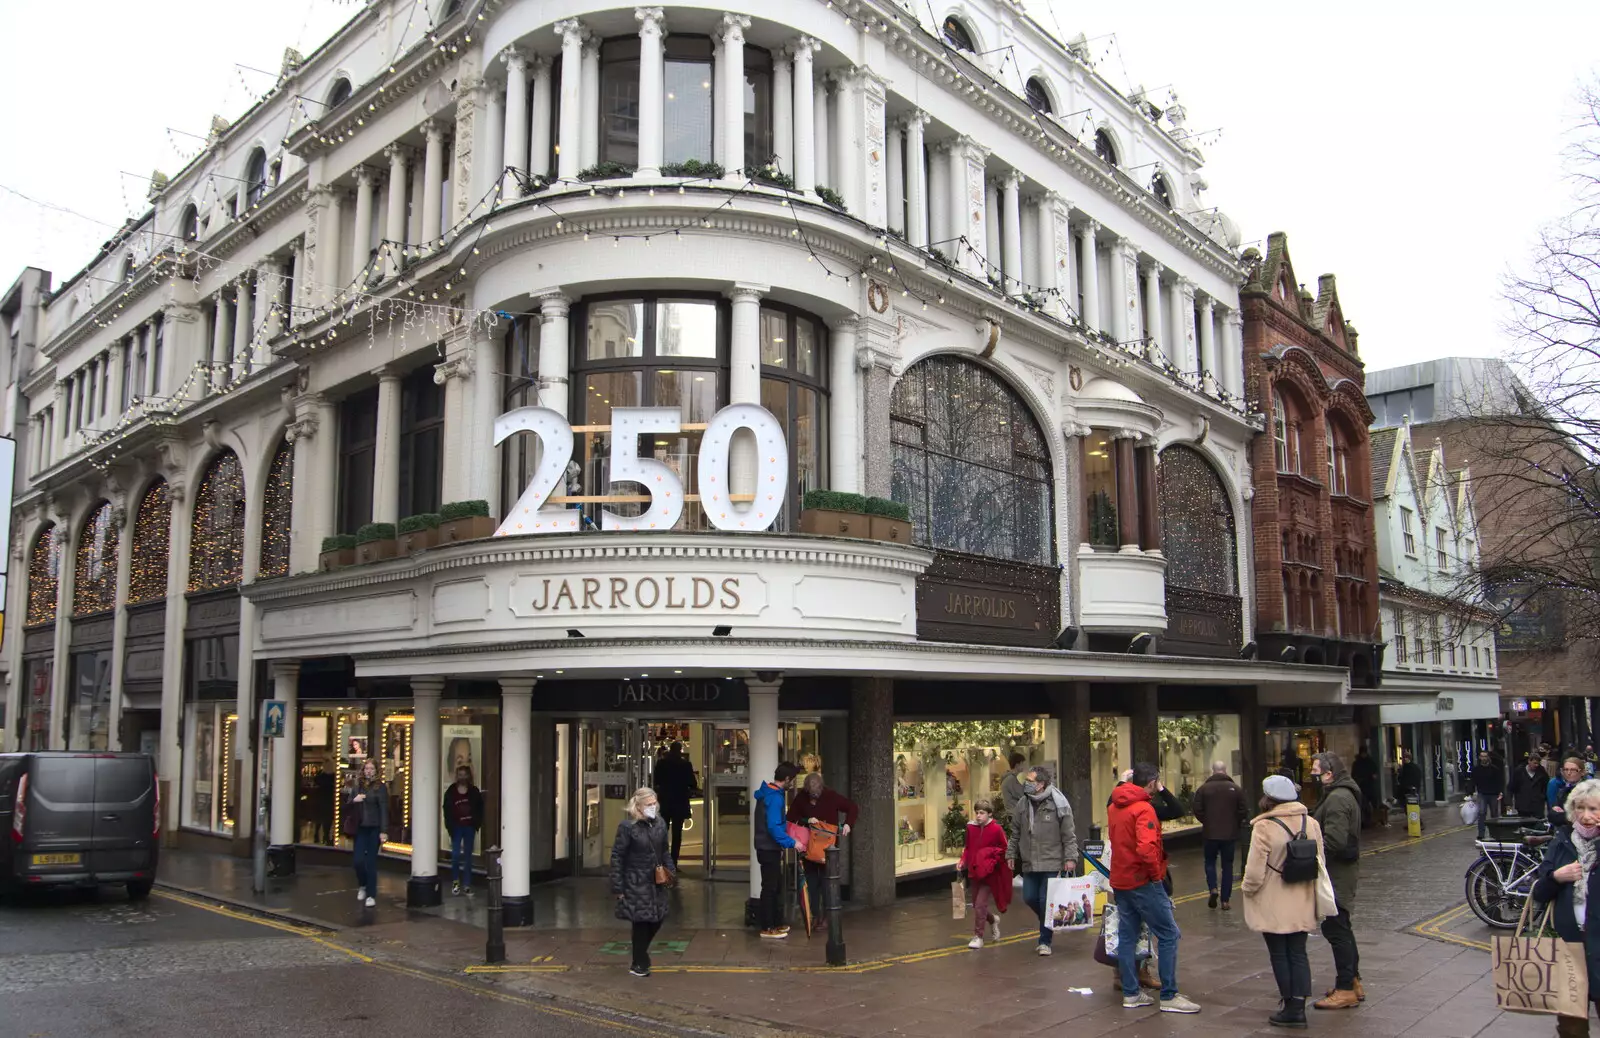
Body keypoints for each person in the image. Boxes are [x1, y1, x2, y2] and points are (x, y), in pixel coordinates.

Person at [1108, 762, 1201, 1014]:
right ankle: (1170, 995)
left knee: (1127, 936)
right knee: (1169, 934)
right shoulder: (1144, 809)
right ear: (1152, 783)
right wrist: (1155, 878)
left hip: (1121, 880)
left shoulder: (1114, 806)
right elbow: (1147, 848)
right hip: (1143, 881)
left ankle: (1131, 993)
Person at [1241, 773, 1330, 1029]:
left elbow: (1255, 872)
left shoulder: (1264, 826)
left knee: (1279, 954)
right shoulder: (1309, 822)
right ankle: (1299, 1007)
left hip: (1273, 899)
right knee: (1299, 952)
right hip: (1302, 896)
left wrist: (1248, 890)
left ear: (1268, 798)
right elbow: (1319, 860)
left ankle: (1289, 1007)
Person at [1530, 777, 1600, 1037]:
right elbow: (1540, 892)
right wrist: (1557, 877)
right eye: (1580, 808)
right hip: (1568, 947)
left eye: (1593, 809)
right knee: (1571, 1028)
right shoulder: (1562, 841)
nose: (1585, 815)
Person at [1310, 752, 1364, 1010]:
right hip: (1340, 873)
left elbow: (1335, 841)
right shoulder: (1340, 794)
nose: (1312, 774)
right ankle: (1353, 982)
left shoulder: (1338, 798)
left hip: (1336, 875)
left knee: (1337, 928)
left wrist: (1312, 853)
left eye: (1315, 770)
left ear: (1329, 774)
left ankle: (1345, 989)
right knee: (1341, 926)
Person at [1006, 764, 1078, 957]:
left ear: (1041, 784)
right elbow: (1015, 833)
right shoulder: (1023, 804)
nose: (1026, 784)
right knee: (1030, 897)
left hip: (1052, 860)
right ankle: (1049, 922)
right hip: (1030, 861)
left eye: (1030, 781)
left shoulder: (1058, 804)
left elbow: (1068, 834)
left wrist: (1070, 857)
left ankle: (1044, 941)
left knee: (1046, 901)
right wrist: (1011, 853)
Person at [610, 787, 675, 978]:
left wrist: (670, 872)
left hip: (656, 880)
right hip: (635, 881)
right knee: (641, 922)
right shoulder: (627, 827)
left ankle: (640, 957)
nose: (653, 807)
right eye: (649, 804)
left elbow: (664, 851)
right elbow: (617, 857)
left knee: (657, 919)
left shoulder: (660, 824)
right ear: (637, 806)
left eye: (654, 803)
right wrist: (618, 887)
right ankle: (639, 962)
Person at [786, 771, 858, 922]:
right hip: (809, 847)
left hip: (828, 848)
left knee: (827, 882)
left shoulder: (830, 796)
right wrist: (806, 819)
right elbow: (790, 818)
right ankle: (815, 914)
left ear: (821, 788)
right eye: (811, 795)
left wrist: (848, 825)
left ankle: (825, 916)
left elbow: (852, 807)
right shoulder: (801, 798)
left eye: (816, 795)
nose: (813, 798)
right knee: (811, 882)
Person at [1191, 761, 1248, 911]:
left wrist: (1207, 821)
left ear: (1213, 771)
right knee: (1227, 866)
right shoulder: (1235, 789)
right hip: (1229, 834)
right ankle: (1225, 900)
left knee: (1210, 862)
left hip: (1210, 834)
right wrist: (1234, 822)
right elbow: (1243, 809)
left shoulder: (1203, 789)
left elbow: (1197, 809)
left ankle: (1213, 889)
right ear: (1225, 770)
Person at [752, 761, 799, 938]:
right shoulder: (775, 797)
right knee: (770, 888)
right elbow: (773, 826)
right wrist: (792, 843)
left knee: (775, 885)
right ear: (786, 779)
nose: (793, 783)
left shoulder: (769, 793)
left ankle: (775, 923)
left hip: (766, 846)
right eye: (792, 780)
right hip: (768, 847)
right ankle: (768, 927)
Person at [957, 798, 1012, 948]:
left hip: (990, 873)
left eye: (982, 813)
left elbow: (1005, 848)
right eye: (976, 813)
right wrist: (962, 861)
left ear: (990, 814)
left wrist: (992, 856)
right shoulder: (971, 828)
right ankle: (993, 920)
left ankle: (978, 936)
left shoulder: (996, 829)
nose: (978, 816)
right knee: (977, 905)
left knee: (980, 904)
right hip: (974, 872)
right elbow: (968, 848)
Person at [345, 759, 388, 908]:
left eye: (371, 768)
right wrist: (354, 800)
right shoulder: (357, 787)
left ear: (376, 771)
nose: (369, 771)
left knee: (370, 862)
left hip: (374, 828)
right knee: (358, 861)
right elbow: (347, 806)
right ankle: (362, 884)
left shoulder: (380, 788)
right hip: (360, 827)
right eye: (367, 768)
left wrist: (383, 831)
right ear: (363, 770)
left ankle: (371, 894)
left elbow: (383, 809)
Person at [652, 742, 699, 865]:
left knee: (663, 831)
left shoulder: (661, 763)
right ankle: (673, 862)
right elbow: (692, 783)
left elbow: (656, 781)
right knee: (677, 834)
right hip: (680, 801)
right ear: (680, 750)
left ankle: (661, 861)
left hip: (665, 801)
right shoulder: (685, 764)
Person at [441, 765, 484, 896]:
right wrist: (450, 826)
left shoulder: (473, 791)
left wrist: (476, 824)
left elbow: (480, 808)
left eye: (465, 774)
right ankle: (455, 881)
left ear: (468, 776)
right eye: (460, 774)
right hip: (457, 827)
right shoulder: (451, 791)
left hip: (469, 827)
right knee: (455, 855)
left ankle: (467, 884)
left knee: (467, 856)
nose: (462, 777)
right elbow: (446, 809)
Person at [1470, 753, 1504, 841]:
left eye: (1485, 756)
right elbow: (1473, 781)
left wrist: (1500, 792)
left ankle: (1495, 833)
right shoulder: (1476, 770)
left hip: (1493, 794)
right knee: (1481, 813)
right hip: (1482, 793)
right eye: (1482, 756)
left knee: (1494, 814)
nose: (1484, 758)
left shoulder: (1494, 769)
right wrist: (1471, 792)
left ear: (1488, 757)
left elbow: (1500, 781)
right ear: (1480, 757)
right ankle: (1481, 834)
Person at [1512, 753, 1554, 818]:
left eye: (1538, 763)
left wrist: (1542, 796)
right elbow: (1512, 786)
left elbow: (1546, 785)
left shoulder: (1542, 772)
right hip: (1523, 805)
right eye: (1534, 763)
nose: (1536, 765)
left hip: (1537, 805)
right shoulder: (1519, 771)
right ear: (1529, 761)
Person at [1550, 757, 1584, 828]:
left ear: (1582, 772)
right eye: (1566, 769)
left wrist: (1562, 816)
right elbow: (1552, 813)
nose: (1568, 773)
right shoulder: (1563, 790)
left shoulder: (1587, 791)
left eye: (1573, 770)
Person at [999, 752, 1028, 830]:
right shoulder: (1011, 779)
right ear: (1017, 765)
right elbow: (1023, 795)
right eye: (1023, 764)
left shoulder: (1011, 778)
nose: (1024, 766)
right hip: (1015, 816)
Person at [1351, 749, 1380, 824]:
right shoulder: (1361, 763)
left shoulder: (1366, 762)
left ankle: (1371, 819)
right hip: (1364, 786)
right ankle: (1367, 820)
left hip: (1367, 786)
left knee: (1368, 804)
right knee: (1364, 804)